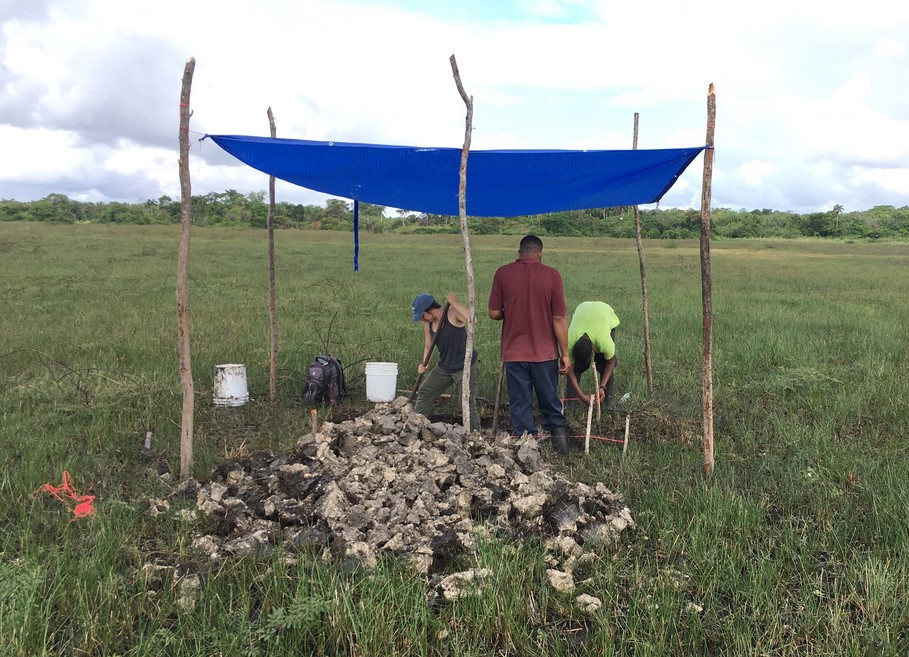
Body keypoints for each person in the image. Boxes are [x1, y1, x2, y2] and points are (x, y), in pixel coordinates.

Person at [488, 235, 571, 454]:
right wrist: (565, 354)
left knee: (520, 403)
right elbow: (559, 319)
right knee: (550, 400)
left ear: (519, 252)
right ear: (540, 253)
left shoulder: (502, 273)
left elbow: (494, 313)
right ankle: (561, 446)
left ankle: (527, 450)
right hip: (544, 353)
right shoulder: (552, 275)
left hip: (514, 352)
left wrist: (510, 311)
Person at [410, 292, 480, 431]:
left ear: (429, 310)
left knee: (466, 401)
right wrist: (425, 363)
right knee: (425, 391)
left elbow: (473, 320)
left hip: (464, 366)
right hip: (445, 367)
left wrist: (455, 303)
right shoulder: (429, 325)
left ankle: (475, 436)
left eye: (422, 316)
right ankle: (416, 427)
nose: (422, 320)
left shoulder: (453, 314)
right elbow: (428, 347)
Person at [566, 301, 620, 407]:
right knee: (576, 368)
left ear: (593, 351)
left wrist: (602, 387)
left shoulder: (604, 341)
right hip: (583, 308)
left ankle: (605, 404)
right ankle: (571, 405)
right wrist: (581, 395)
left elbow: (611, 362)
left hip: (604, 313)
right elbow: (569, 369)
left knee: (603, 363)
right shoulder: (569, 342)